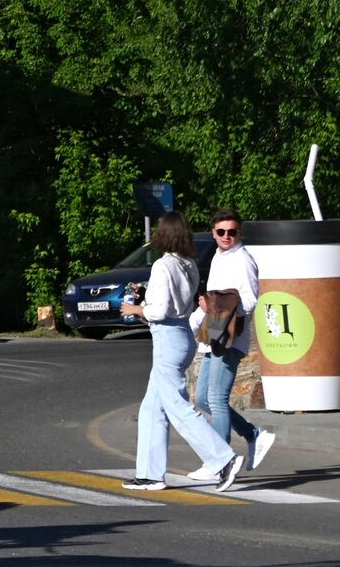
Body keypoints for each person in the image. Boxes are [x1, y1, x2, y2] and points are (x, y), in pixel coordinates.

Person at [118, 212, 245, 492]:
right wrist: (146, 294)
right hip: (182, 335)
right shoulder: (189, 264)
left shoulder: (163, 265)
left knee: (177, 406)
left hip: (167, 339)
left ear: (162, 235)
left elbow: (160, 310)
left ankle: (223, 459)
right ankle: (150, 475)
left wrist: (135, 308)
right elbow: (175, 300)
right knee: (152, 408)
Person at [184, 211, 276, 478]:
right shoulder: (218, 257)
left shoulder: (243, 260)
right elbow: (213, 297)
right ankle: (252, 434)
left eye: (232, 232)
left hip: (231, 337)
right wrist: (198, 318)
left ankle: (220, 461)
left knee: (217, 399)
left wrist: (217, 307)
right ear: (213, 232)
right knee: (202, 397)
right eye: (221, 232)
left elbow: (250, 300)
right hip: (213, 334)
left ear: (239, 233)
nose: (226, 237)